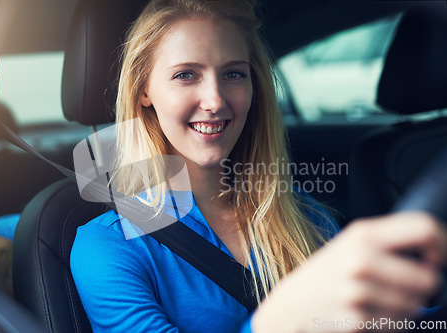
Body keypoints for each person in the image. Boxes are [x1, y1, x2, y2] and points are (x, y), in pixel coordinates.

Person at [70, 0, 446, 332]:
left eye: (234, 73)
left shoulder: (302, 214)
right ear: (144, 91)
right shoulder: (107, 246)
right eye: (186, 74)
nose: (215, 100)